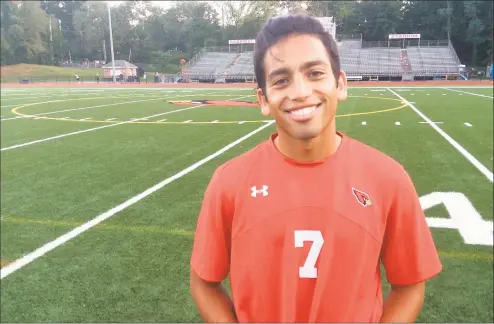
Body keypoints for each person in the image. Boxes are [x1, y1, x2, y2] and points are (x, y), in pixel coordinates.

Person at [190, 14, 442, 322]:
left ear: (340, 84)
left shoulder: (388, 179)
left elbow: (409, 285)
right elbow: (204, 281)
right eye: (281, 80)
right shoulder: (229, 182)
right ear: (263, 99)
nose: (299, 91)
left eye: (315, 73)